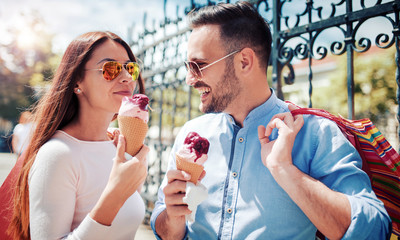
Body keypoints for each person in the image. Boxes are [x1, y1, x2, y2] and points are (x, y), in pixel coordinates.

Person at [150, 2, 391, 239]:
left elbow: (374, 229)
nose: (189, 80)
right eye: (188, 66)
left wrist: (285, 170)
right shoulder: (190, 133)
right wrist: (172, 218)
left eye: (198, 65)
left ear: (244, 61)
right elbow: (163, 225)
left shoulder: (316, 134)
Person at [6, 31, 149, 239]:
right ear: (77, 82)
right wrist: (114, 197)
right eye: (111, 69)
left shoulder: (119, 146)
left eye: (130, 68)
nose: (127, 77)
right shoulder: (57, 154)